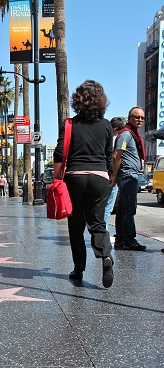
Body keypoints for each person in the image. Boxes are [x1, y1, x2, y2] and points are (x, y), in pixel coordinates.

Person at [53, 80, 114, 288]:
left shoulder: (70, 124)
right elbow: (108, 157)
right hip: (99, 177)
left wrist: (56, 178)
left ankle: (78, 269)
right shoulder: (106, 125)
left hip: (75, 177)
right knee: (97, 222)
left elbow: (60, 152)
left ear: (77, 100)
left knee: (76, 225)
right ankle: (105, 256)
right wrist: (108, 176)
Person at [111, 107, 147, 251]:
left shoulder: (133, 134)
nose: (140, 120)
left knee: (123, 208)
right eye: (137, 117)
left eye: (142, 118)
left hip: (130, 175)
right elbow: (116, 156)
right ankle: (128, 239)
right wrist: (114, 175)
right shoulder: (126, 134)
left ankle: (121, 238)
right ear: (129, 118)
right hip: (127, 175)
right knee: (129, 208)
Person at [104, 117, 125, 231]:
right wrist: (114, 175)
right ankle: (104, 233)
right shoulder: (118, 139)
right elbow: (116, 157)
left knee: (103, 207)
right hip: (111, 175)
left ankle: (101, 233)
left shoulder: (104, 139)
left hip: (101, 175)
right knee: (108, 207)